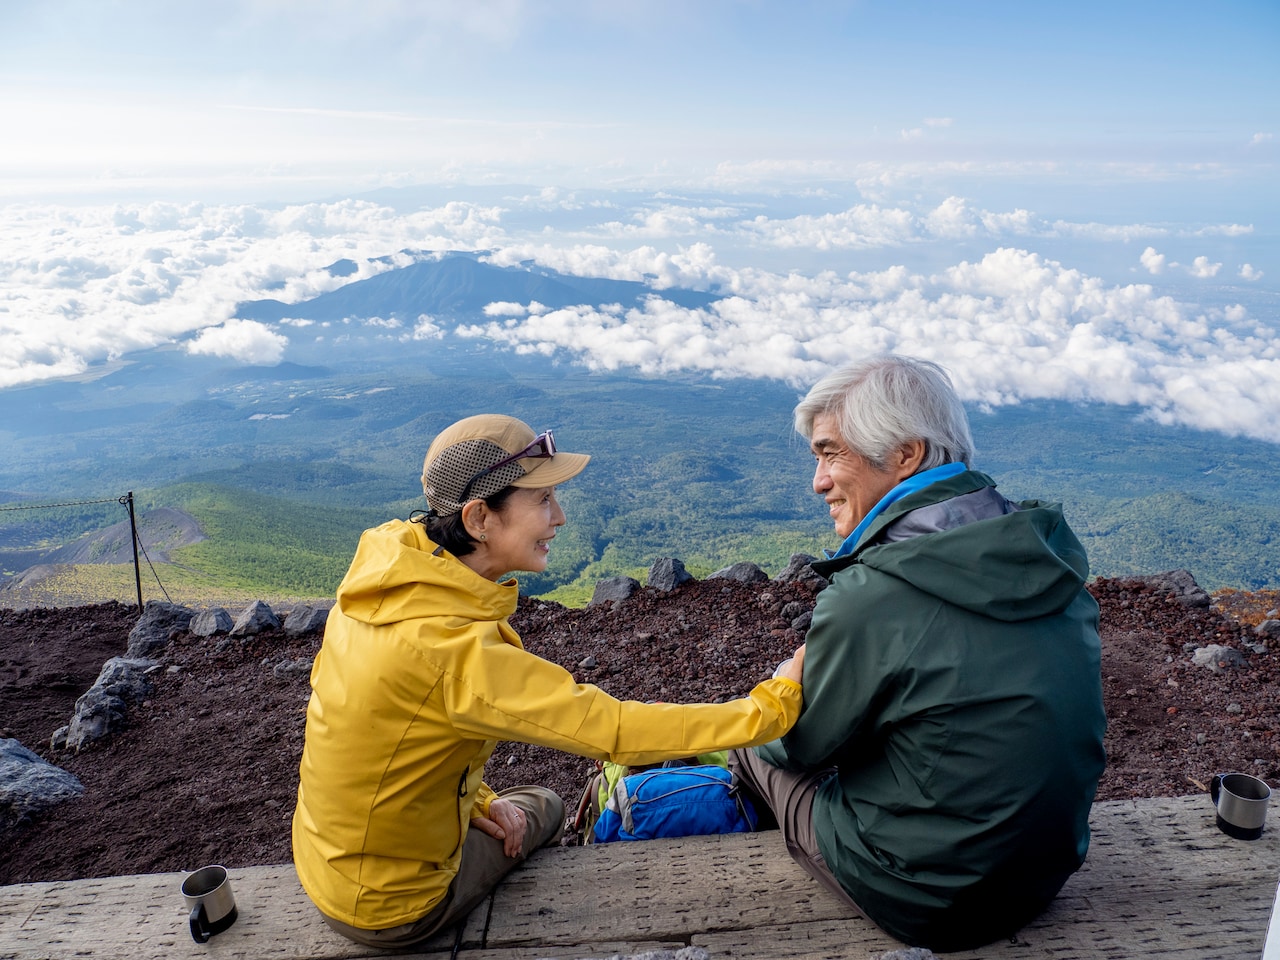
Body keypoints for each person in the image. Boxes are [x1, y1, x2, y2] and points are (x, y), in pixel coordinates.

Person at [292, 413, 805, 949]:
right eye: (541, 500)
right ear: (477, 519)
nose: (559, 517)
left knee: (516, 806)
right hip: (389, 908)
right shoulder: (452, 650)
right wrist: (772, 707)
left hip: (325, 860)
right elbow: (615, 731)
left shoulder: (383, 583)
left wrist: (481, 801)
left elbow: (381, 737)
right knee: (548, 805)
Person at [729, 355, 1106, 952]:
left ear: (905, 454)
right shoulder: (1044, 557)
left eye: (831, 453)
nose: (818, 481)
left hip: (929, 899)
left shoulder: (873, 596)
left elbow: (800, 745)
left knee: (751, 744)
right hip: (1043, 876)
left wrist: (784, 681)